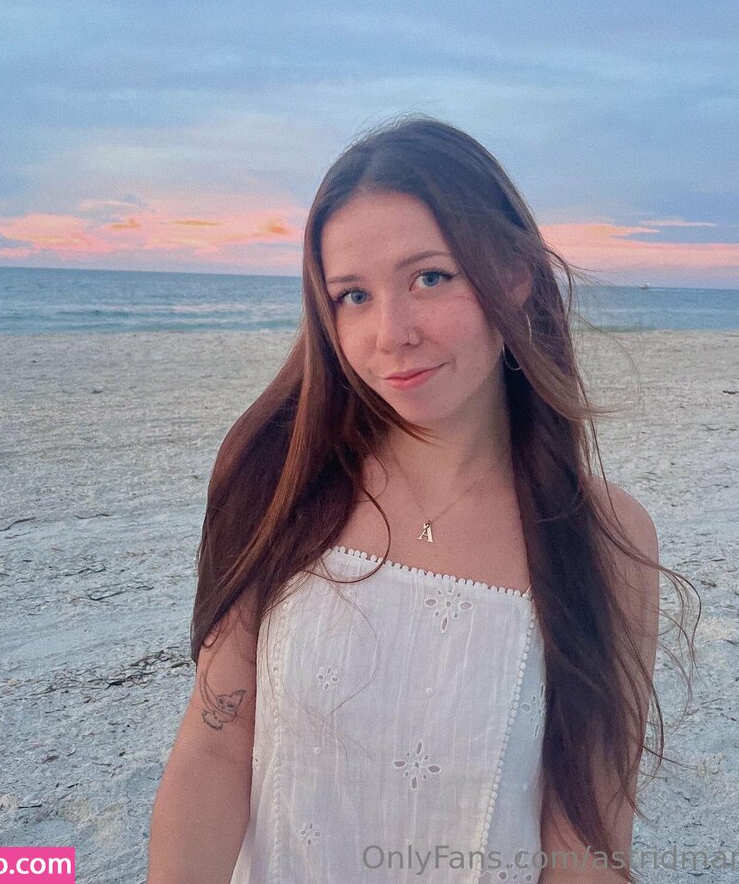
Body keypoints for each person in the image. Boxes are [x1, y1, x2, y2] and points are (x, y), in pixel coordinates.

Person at [146, 116, 698, 884]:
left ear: (514, 274)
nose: (391, 333)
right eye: (353, 295)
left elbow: (587, 843)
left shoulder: (602, 538)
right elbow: (215, 745)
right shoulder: (278, 477)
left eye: (430, 278)